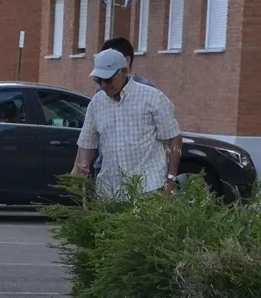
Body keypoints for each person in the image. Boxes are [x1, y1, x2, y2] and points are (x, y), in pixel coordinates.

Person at [72, 48, 183, 200]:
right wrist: (82, 166)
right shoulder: (96, 104)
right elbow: (87, 143)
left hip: (149, 187)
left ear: (123, 72)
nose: (103, 85)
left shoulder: (152, 97)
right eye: (98, 80)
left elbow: (174, 138)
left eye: (108, 80)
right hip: (110, 191)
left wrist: (171, 179)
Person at [93, 37, 156, 176]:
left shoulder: (147, 90)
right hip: (105, 166)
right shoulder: (100, 91)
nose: (104, 84)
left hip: (136, 171)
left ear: (126, 61)